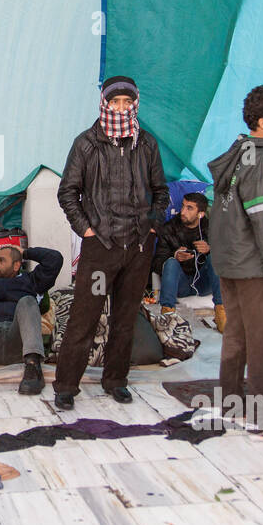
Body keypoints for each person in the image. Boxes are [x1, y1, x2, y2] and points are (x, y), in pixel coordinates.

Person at [53, 76, 170, 410]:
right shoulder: (87, 143)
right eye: (115, 102)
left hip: (136, 248)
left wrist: (151, 226)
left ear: (134, 104)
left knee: (125, 317)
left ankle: (116, 379)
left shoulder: (146, 143)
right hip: (100, 248)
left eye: (126, 102)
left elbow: (161, 191)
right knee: (85, 316)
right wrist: (86, 230)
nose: (121, 108)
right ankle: (65, 385)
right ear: (105, 103)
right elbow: (67, 192)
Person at [207, 83, 263, 436]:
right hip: (252, 266)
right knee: (261, 343)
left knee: (236, 335)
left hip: (228, 263)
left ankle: (230, 403)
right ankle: (262, 419)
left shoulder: (239, 153)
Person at [0, 244, 62, 396]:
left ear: (16, 265)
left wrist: (25, 252)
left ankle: (33, 368)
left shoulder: (32, 281)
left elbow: (55, 259)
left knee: (28, 301)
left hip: (19, 346)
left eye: (1, 261)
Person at [149, 192, 223, 327]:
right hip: (180, 284)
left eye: (189, 208)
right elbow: (156, 264)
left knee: (215, 258)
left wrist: (210, 248)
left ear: (200, 214)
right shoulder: (169, 229)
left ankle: (221, 313)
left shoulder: (212, 228)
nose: (183, 212)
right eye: (183, 206)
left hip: (203, 283)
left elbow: (228, 257)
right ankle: (167, 314)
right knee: (171, 262)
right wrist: (175, 255)